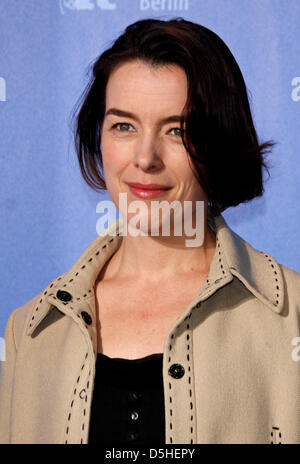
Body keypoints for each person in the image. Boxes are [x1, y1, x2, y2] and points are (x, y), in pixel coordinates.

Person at [0, 17, 300, 445]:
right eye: (124, 125)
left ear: (220, 141)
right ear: (98, 136)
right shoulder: (30, 331)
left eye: (177, 131)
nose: (145, 157)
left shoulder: (292, 319)